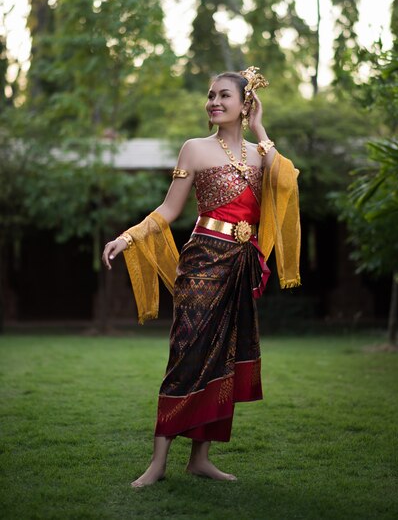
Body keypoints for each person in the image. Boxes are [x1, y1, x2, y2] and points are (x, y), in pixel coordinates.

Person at [102, 66, 301, 487]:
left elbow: (287, 185)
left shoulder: (262, 154)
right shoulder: (193, 148)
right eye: (211, 95)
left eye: (224, 95)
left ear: (245, 104)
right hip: (202, 263)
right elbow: (169, 210)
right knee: (187, 354)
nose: (213, 101)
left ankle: (200, 459)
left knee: (222, 359)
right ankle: (158, 462)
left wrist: (261, 128)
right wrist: (129, 237)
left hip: (241, 266)